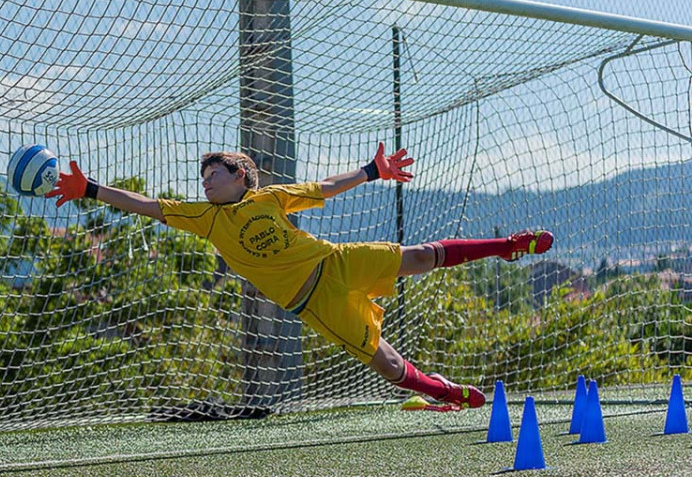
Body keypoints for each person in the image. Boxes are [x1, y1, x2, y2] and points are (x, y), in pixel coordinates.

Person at [46, 143, 554, 409]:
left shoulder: (268, 198)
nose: (205, 183)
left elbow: (324, 186)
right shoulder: (205, 218)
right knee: (387, 363)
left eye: (214, 175)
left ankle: (509, 246)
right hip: (313, 302)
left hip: (334, 260)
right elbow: (146, 205)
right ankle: (443, 391)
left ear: (241, 175)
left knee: (420, 255)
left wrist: (371, 172)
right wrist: (89, 188)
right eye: (201, 179)